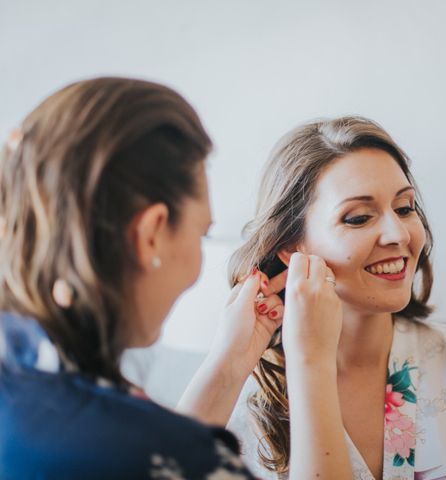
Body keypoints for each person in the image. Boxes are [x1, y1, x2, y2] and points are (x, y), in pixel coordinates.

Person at [0, 78, 351, 479]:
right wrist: (311, 362)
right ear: (152, 234)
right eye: (201, 234)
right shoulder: (159, 451)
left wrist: (229, 365)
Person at [225, 116, 446, 479]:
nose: (398, 234)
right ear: (290, 248)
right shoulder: (244, 404)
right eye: (358, 218)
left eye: (405, 208)